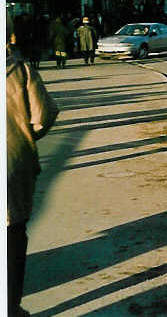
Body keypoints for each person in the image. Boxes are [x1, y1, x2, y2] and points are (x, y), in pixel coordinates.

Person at [7, 52, 59, 316]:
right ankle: (10, 305)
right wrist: (24, 137)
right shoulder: (18, 67)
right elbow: (43, 114)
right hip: (11, 163)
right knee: (12, 230)